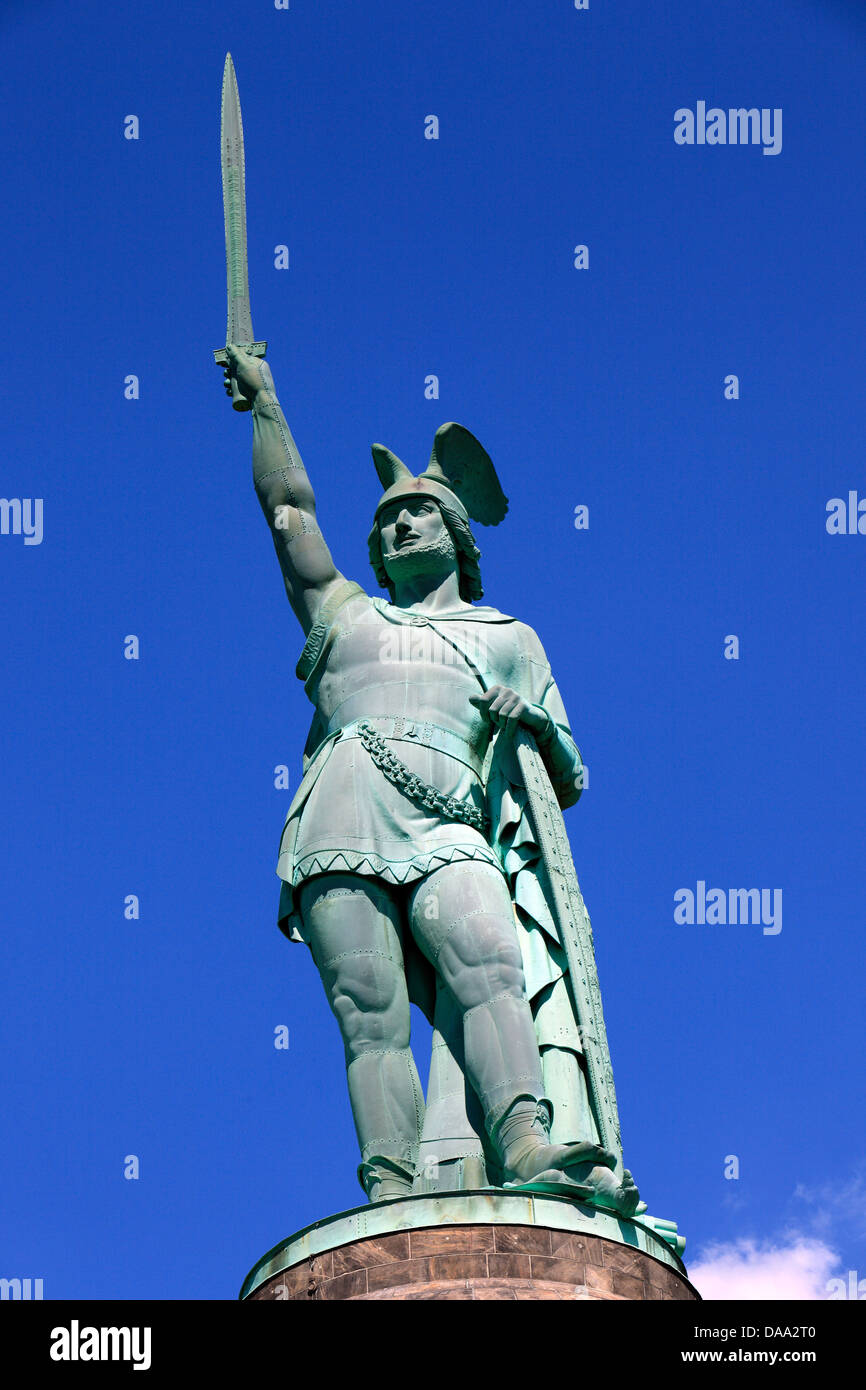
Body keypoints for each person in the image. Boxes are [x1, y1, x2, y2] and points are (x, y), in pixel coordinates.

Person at [224, 343, 639, 1215]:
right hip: (343, 809)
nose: (400, 527)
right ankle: (391, 1182)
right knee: (366, 1012)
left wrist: (525, 719)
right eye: (388, 520)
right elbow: (288, 509)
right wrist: (267, 405)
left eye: (419, 514)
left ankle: (525, 1140)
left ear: (457, 533)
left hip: (452, 820)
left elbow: (567, 774)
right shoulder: (344, 612)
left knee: (491, 963)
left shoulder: (509, 638)